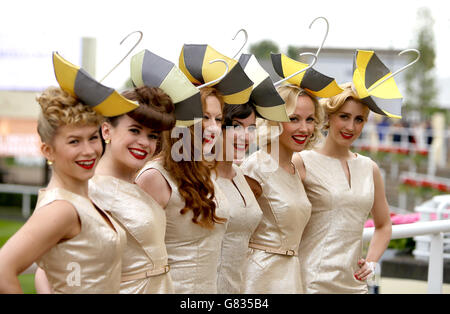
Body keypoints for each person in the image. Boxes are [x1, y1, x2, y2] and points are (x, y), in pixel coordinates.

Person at [0, 87, 126, 293]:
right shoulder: (61, 208)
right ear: (48, 151)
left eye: (93, 138)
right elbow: (3, 270)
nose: (89, 151)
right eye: (74, 141)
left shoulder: (82, 199)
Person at [294, 82, 392, 294]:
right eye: (344, 116)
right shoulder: (302, 162)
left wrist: (371, 263)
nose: (351, 127)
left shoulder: (370, 168)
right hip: (310, 282)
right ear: (329, 117)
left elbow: (384, 225)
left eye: (359, 120)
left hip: (355, 285)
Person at [134, 86, 229, 294]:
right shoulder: (154, 176)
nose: (213, 128)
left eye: (219, 119)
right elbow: (135, 258)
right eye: (205, 117)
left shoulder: (206, 172)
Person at [240, 84, 322, 293]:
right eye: (294, 119)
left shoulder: (294, 170)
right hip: (260, 279)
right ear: (274, 121)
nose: (304, 129)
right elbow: (236, 232)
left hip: (291, 275)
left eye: (310, 119)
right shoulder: (255, 167)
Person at [214, 101, 263, 293]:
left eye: (251, 128)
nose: (245, 136)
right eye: (235, 126)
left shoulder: (241, 176)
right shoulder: (199, 179)